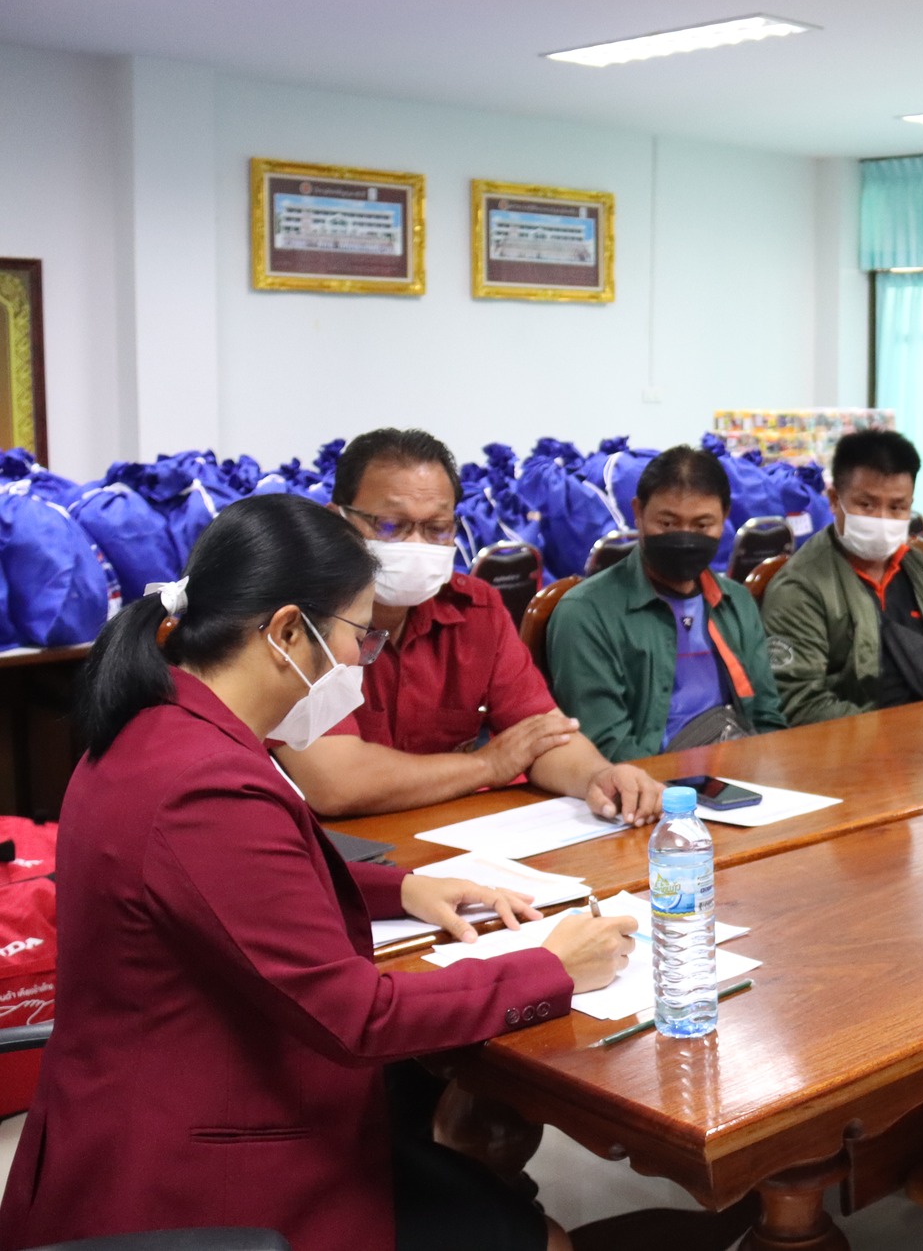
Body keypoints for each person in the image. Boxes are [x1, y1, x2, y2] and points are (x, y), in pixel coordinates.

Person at [0, 496, 637, 1251]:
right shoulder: (203, 784)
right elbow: (357, 1016)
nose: (365, 661)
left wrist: (402, 887)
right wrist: (551, 968)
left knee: (488, 1199)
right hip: (193, 1173)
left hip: (164, 1106)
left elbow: (230, 887)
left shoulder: (163, 725)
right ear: (287, 631)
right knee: (534, 1237)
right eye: (361, 636)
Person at [278, 429, 666, 824]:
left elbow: (542, 734)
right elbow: (337, 783)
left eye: (436, 528)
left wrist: (598, 777)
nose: (416, 545)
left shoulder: (474, 610)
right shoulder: (297, 622)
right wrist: (487, 765)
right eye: (391, 525)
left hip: (450, 831)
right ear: (336, 520)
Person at [548, 446, 786, 759]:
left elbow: (766, 715)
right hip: (650, 780)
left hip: (741, 770)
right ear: (638, 512)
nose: (685, 538)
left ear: (724, 519)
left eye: (702, 526)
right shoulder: (586, 613)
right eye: (668, 524)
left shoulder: (736, 601)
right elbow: (607, 745)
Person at [760, 430, 923, 724]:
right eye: (867, 505)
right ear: (834, 500)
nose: (882, 519)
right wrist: (904, 735)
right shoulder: (800, 588)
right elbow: (801, 704)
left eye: (897, 507)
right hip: (862, 742)